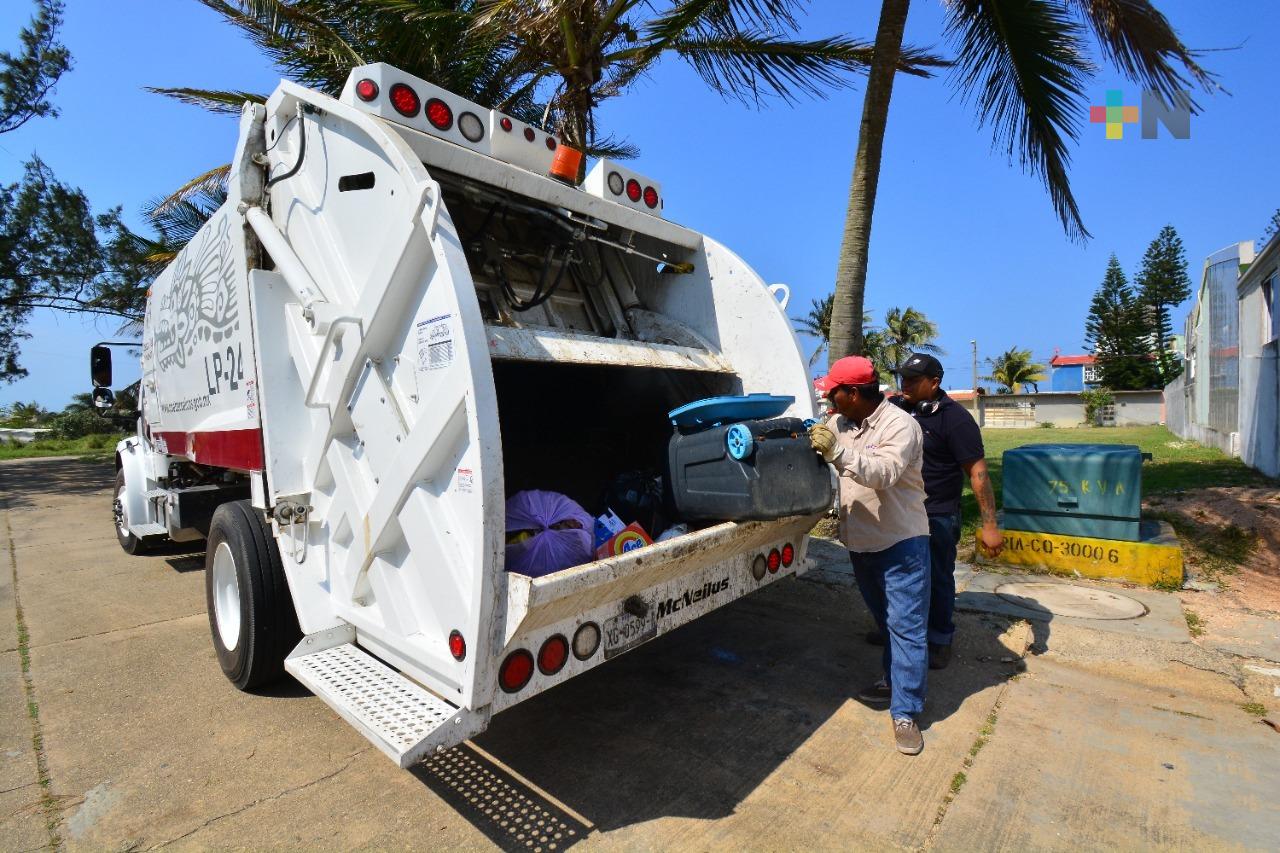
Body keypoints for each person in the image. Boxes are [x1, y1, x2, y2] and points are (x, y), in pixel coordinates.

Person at [809, 356, 931, 756]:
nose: (828, 398)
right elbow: (820, 444)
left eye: (833, 392)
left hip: (901, 542)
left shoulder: (900, 425)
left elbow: (884, 473)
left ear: (853, 393)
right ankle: (892, 680)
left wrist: (837, 454)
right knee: (886, 622)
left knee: (906, 627)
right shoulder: (840, 423)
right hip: (860, 541)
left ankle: (906, 713)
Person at [891, 353, 1004, 670]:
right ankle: (900, 631)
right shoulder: (898, 410)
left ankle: (940, 638)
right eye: (903, 378)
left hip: (937, 514)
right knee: (900, 577)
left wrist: (990, 526)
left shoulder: (955, 420)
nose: (905, 385)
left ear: (935, 383)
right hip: (899, 512)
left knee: (937, 578)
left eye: (913, 380)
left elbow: (978, 473)